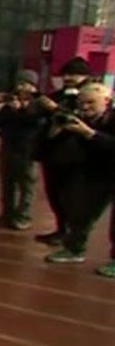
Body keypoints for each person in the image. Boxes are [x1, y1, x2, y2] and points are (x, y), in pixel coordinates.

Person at [43, 83, 115, 274]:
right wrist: (57, 130)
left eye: (91, 102)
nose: (85, 107)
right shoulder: (80, 119)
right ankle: (74, 249)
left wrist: (90, 134)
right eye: (82, 103)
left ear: (107, 101)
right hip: (97, 174)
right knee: (81, 212)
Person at [32, 56, 93, 246]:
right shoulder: (60, 94)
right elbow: (38, 112)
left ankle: (73, 236)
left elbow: (85, 118)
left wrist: (57, 109)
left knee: (72, 196)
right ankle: (61, 229)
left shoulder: (89, 95)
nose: (68, 78)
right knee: (54, 194)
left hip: (76, 155)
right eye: (66, 74)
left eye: (73, 74)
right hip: (52, 152)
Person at [0, 70, 45, 230]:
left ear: (33, 86)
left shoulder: (40, 102)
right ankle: (7, 214)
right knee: (7, 183)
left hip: (28, 150)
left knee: (26, 185)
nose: (21, 87)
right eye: (19, 83)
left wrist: (21, 109)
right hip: (8, 147)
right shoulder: (10, 98)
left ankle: (23, 217)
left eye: (26, 84)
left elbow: (35, 122)